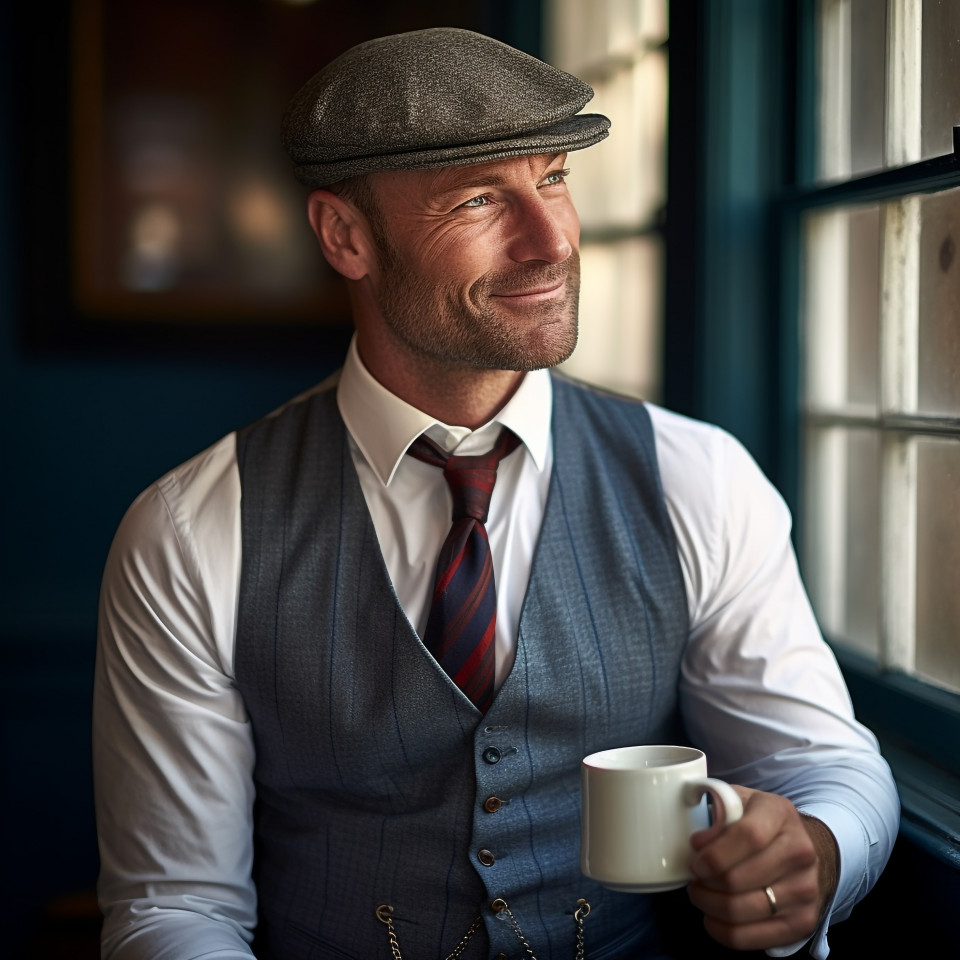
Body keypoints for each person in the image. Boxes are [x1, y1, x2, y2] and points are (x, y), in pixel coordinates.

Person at [93, 27, 898, 960]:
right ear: (346, 236)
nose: (551, 240)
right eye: (480, 199)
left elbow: (822, 764)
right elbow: (176, 907)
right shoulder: (191, 532)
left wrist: (817, 852)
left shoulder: (698, 478)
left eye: (553, 177)